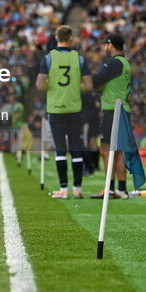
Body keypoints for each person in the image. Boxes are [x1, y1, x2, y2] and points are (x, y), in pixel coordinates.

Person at [36, 25, 92, 200]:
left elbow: (40, 85)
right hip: (74, 107)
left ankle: (63, 189)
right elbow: (89, 85)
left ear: (56, 37)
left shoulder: (48, 58)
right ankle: (78, 189)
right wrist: (75, 89)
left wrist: (52, 89)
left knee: (60, 149)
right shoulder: (80, 59)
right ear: (71, 38)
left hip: (56, 108)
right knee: (76, 147)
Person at [90, 33, 132, 200]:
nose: (104, 48)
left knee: (106, 150)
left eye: (105, 45)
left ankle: (109, 188)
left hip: (112, 109)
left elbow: (96, 80)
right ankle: (121, 189)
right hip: (123, 108)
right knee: (119, 151)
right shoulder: (125, 63)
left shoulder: (114, 63)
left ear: (111, 45)